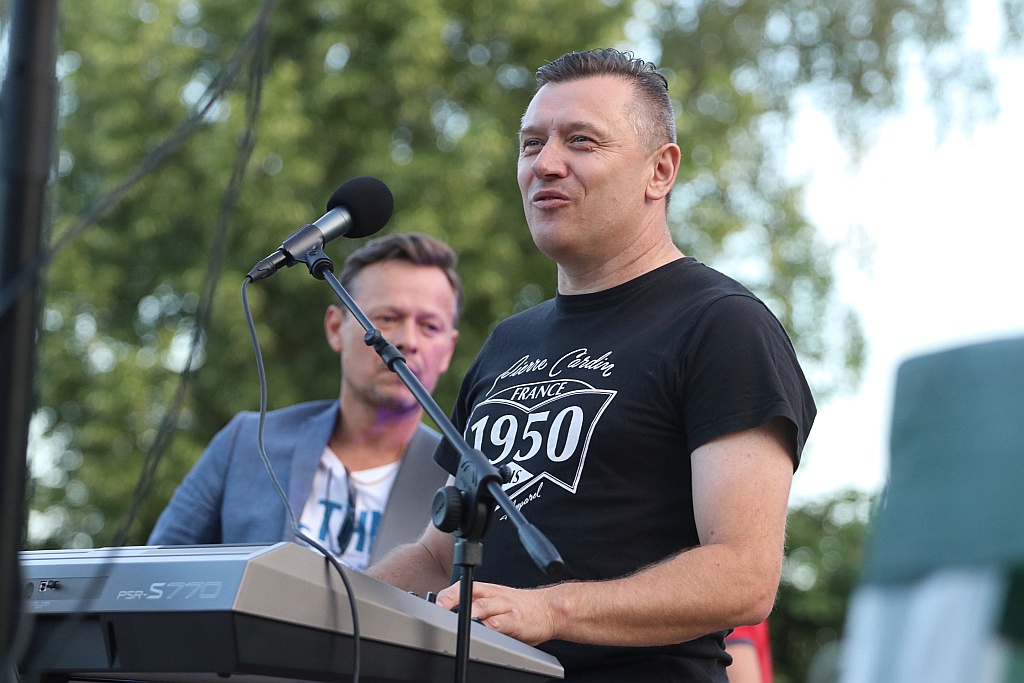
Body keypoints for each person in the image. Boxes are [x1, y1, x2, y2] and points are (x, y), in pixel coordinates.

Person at [368, 48, 816, 682]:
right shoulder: (508, 341)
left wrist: (551, 610)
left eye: (581, 141)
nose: (546, 164)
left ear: (660, 171)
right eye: (531, 144)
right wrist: (325, 600)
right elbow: (438, 558)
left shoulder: (723, 327)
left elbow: (744, 576)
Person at [148, 232, 461, 571]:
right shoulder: (247, 442)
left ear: (448, 350)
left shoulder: (459, 479)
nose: (407, 340)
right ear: (335, 328)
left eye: (430, 326)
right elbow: (154, 573)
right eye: (387, 318)